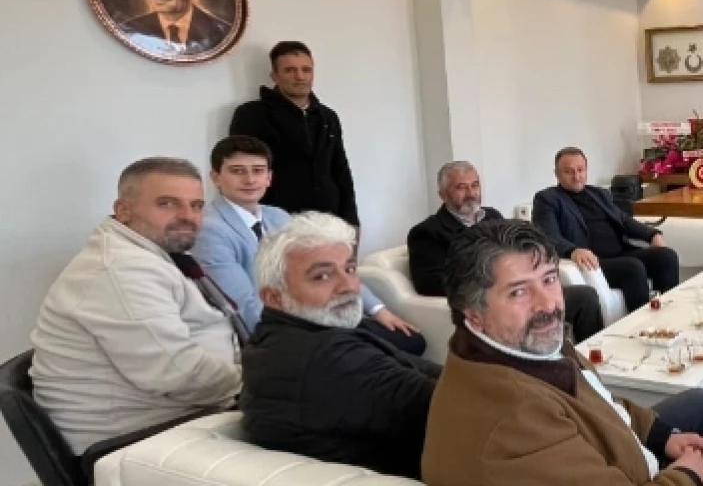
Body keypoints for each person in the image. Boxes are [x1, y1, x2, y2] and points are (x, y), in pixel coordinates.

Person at [422, 219, 703, 486]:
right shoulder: (515, 421)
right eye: (518, 292)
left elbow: (598, 400)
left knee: (701, 403)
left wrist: (661, 437)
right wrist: (687, 475)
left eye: (549, 279)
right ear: (473, 313)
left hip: (602, 454)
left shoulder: (517, 346)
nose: (548, 304)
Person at [30, 158, 240, 455]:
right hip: (133, 441)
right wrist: (256, 381)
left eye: (196, 205)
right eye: (167, 204)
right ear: (123, 210)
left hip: (178, 420)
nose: (187, 216)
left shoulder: (151, 254)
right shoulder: (121, 269)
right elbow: (179, 374)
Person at [240, 212, 441, 479]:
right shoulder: (326, 358)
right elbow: (458, 408)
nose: (348, 286)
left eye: (349, 269)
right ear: (274, 297)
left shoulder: (280, 337)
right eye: (322, 276)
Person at [192, 136, 424, 353]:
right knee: (389, 360)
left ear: (269, 177)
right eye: (237, 171)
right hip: (288, 331)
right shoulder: (210, 230)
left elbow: (335, 267)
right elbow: (243, 305)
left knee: (410, 341)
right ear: (216, 177)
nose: (250, 180)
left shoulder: (278, 216)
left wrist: (378, 310)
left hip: (320, 311)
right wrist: (305, 342)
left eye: (258, 171)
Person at [407, 160, 605, 340]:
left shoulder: (491, 216)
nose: (471, 193)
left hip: (522, 290)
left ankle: (589, 359)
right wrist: (491, 286)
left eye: (475, 185)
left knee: (585, 297)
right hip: (491, 301)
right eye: (461, 187)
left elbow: (516, 250)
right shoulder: (426, 232)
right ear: (442, 194)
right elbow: (428, 283)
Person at [229, 41, 359, 227]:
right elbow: (241, 172)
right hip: (276, 221)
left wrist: (352, 221)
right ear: (275, 76)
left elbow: (341, 171)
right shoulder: (251, 115)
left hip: (329, 220)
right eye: (290, 70)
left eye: (306, 70)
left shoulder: (328, 117)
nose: (300, 77)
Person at [533, 147, 679, 311]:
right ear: (557, 174)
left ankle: (668, 313)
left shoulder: (599, 194)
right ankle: (642, 322)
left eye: (580, 170)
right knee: (632, 267)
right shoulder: (547, 199)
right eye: (569, 172)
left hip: (622, 253)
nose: (576, 176)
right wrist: (572, 250)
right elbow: (547, 235)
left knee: (666, 256)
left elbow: (624, 220)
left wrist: (653, 234)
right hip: (594, 262)